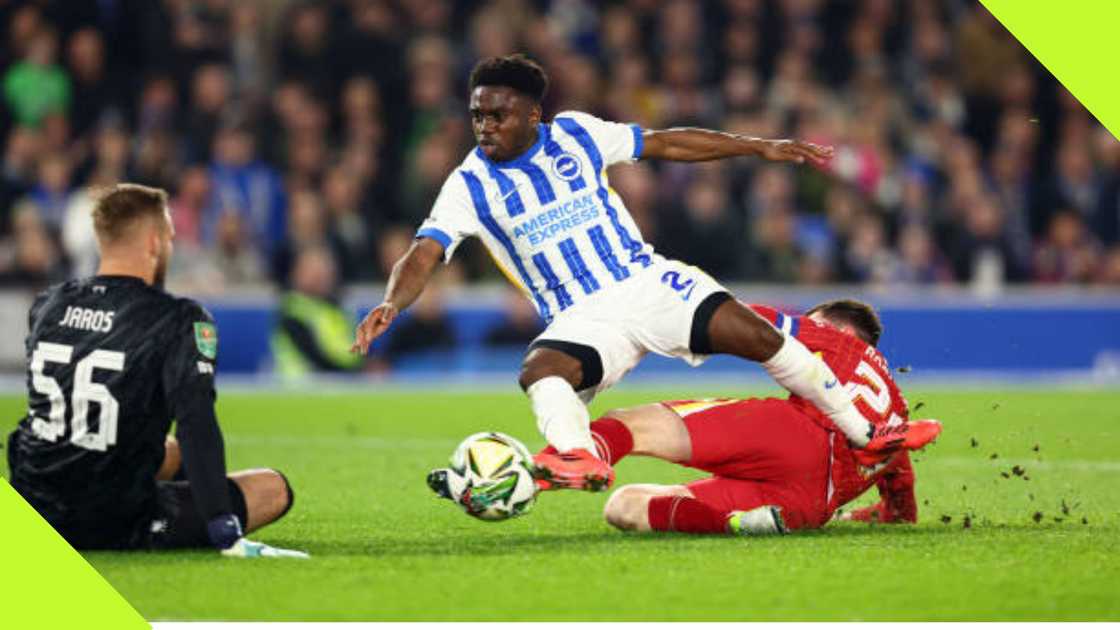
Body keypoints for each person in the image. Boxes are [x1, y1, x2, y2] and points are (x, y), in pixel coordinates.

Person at [353, 54, 935, 490]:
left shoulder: (577, 134)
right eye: (478, 115)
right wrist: (392, 302)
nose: (485, 127)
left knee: (759, 336)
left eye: (498, 115)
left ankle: (866, 437)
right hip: (581, 316)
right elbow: (425, 250)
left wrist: (757, 147)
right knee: (540, 369)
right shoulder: (468, 184)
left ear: (533, 113)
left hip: (645, 282)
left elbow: (666, 144)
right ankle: (577, 455)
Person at [6, 184, 305, 557]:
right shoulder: (178, 318)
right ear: (153, 242)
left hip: (34, 502)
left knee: (172, 453)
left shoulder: (48, 304)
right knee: (273, 488)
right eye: (169, 238)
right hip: (109, 518)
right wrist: (221, 525)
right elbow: (196, 420)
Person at [576, 300, 936, 535]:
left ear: (837, 330)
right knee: (624, 507)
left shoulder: (837, 341)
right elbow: (901, 513)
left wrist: (680, 311)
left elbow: (758, 322)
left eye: (812, 323)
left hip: (797, 436)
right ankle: (740, 524)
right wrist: (845, 518)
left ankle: (558, 464)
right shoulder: (897, 422)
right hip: (808, 504)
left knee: (626, 424)